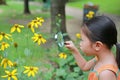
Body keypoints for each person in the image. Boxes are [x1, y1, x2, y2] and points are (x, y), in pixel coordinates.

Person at [65, 16, 120, 80]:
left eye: (82, 40)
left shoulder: (106, 73)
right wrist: (74, 50)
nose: (80, 43)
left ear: (97, 45)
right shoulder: (101, 58)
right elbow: (84, 66)